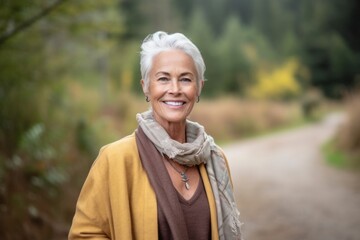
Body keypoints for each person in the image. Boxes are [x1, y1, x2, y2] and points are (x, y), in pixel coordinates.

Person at [68, 31, 242, 240]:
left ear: (199, 88)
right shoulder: (115, 159)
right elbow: (84, 234)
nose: (175, 89)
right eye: (163, 79)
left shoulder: (215, 159)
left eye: (185, 79)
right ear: (146, 87)